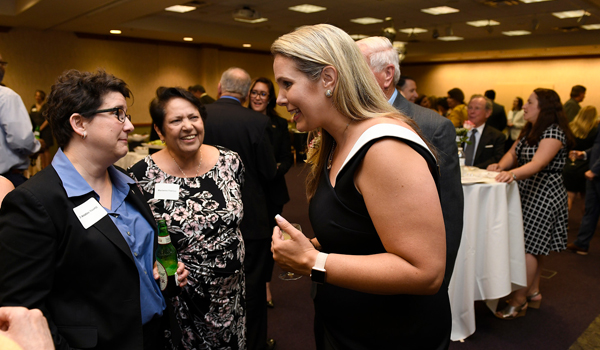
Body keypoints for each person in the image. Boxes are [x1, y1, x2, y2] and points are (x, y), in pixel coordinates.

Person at [271, 24, 450, 349]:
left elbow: (425, 271)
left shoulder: (384, 148)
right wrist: (310, 245)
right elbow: (361, 228)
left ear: (328, 79)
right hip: (345, 324)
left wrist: (313, 262)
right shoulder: (336, 139)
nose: (280, 98)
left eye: (287, 83)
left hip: (391, 335)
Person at [0, 69, 188, 350]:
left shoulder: (128, 185)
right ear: (79, 123)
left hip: (153, 336)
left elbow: (132, 263)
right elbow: (21, 311)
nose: (129, 126)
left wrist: (162, 275)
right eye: (118, 114)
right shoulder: (35, 202)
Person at [130, 87, 246, 349]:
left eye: (193, 117)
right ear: (159, 131)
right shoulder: (141, 176)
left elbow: (235, 219)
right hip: (181, 297)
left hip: (231, 294)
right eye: (175, 120)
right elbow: (137, 239)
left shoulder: (230, 161)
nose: (188, 127)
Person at [357, 35, 463, 287]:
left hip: (409, 276)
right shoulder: (346, 120)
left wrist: (438, 282)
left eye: (356, 69)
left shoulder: (433, 127)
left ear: (386, 75)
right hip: (355, 269)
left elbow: (449, 212)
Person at [203, 68, 278, 350]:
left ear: (219, 86)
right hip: (251, 218)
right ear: (247, 93)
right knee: (253, 290)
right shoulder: (257, 122)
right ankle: (254, 343)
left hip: (208, 214)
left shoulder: (201, 115)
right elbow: (269, 173)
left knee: (212, 285)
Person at [488, 88, 574, 319]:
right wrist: (500, 165)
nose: (524, 106)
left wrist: (511, 174)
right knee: (535, 247)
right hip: (529, 190)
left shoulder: (554, 132)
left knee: (529, 248)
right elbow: (513, 154)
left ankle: (519, 301)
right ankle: (533, 292)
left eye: (529, 102)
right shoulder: (530, 130)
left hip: (544, 194)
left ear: (543, 107)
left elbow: (537, 164)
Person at [247, 77, 293, 308]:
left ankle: (265, 283)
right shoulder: (241, 121)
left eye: (262, 93)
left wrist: (275, 169)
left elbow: (287, 159)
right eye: (254, 92)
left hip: (272, 193)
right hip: (246, 195)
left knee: (268, 241)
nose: (257, 97)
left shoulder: (279, 124)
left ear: (270, 98)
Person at [0, 53, 43, 187]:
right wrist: (37, 145)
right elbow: (21, 140)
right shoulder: (6, 97)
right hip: (7, 179)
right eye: (2, 63)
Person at [567, 126, 600, 255]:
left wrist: (595, 170)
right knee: (590, 210)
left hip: (595, 173)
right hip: (594, 175)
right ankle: (581, 243)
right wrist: (584, 154)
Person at [563, 106, 598, 211]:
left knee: (569, 197)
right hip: (586, 166)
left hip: (570, 165)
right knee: (586, 199)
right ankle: (584, 223)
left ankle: (565, 224)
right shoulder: (595, 130)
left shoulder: (570, 127)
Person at [463, 95, 506, 169]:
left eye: (477, 108)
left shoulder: (497, 136)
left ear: (488, 113)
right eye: (470, 108)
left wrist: (472, 170)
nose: (472, 112)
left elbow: (497, 158)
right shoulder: (456, 131)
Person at [29, 90, 54, 168]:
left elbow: (49, 118)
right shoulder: (33, 107)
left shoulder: (46, 106)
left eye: (38, 96)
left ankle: (47, 167)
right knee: (40, 149)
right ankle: (42, 168)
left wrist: (41, 128)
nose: (37, 97)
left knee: (46, 149)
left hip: (45, 131)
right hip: (36, 131)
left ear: (42, 97)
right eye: (36, 95)